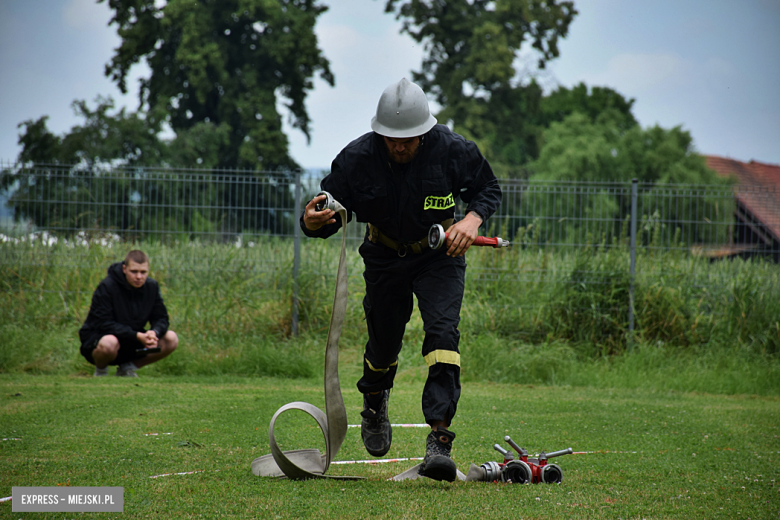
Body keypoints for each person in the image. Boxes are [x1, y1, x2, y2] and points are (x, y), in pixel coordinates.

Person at [301, 78, 502, 481]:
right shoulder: (357, 158)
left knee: (443, 335)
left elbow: (488, 188)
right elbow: (328, 211)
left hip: (439, 255)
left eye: (408, 140)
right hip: (383, 256)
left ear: (424, 132)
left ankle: (439, 441)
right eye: (392, 139)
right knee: (383, 344)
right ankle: (375, 402)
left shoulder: (452, 148)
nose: (399, 146)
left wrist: (471, 219)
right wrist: (311, 222)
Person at [79, 250, 178, 377]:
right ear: (124, 269)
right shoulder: (107, 286)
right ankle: (101, 372)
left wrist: (154, 332)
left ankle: (126, 369)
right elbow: (104, 323)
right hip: (102, 340)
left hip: (133, 341)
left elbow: (161, 317)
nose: (139, 277)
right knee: (110, 342)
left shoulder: (152, 287)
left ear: (148, 270)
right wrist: (137, 335)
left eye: (143, 272)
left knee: (171, 338)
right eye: (134, 271)